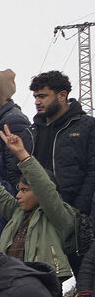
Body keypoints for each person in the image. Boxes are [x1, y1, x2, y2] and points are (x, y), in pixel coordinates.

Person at [0, 127, 76, 280]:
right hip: (8, 283)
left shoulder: (58, 215)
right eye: (19, 190)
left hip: (41, 285)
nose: (18, 195)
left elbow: (44, 187)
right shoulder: (17, 213)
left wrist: (21, 154)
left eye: (25, 190)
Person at [29, 70, 95, 214]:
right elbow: (18, 170)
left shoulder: (87, 126)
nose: (37, 102)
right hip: (36, 212)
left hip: (72, 211)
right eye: (35, 97)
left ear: (62, 95)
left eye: (42, 96)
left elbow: (92, 172)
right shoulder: (32, 131)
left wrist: (77, 211)